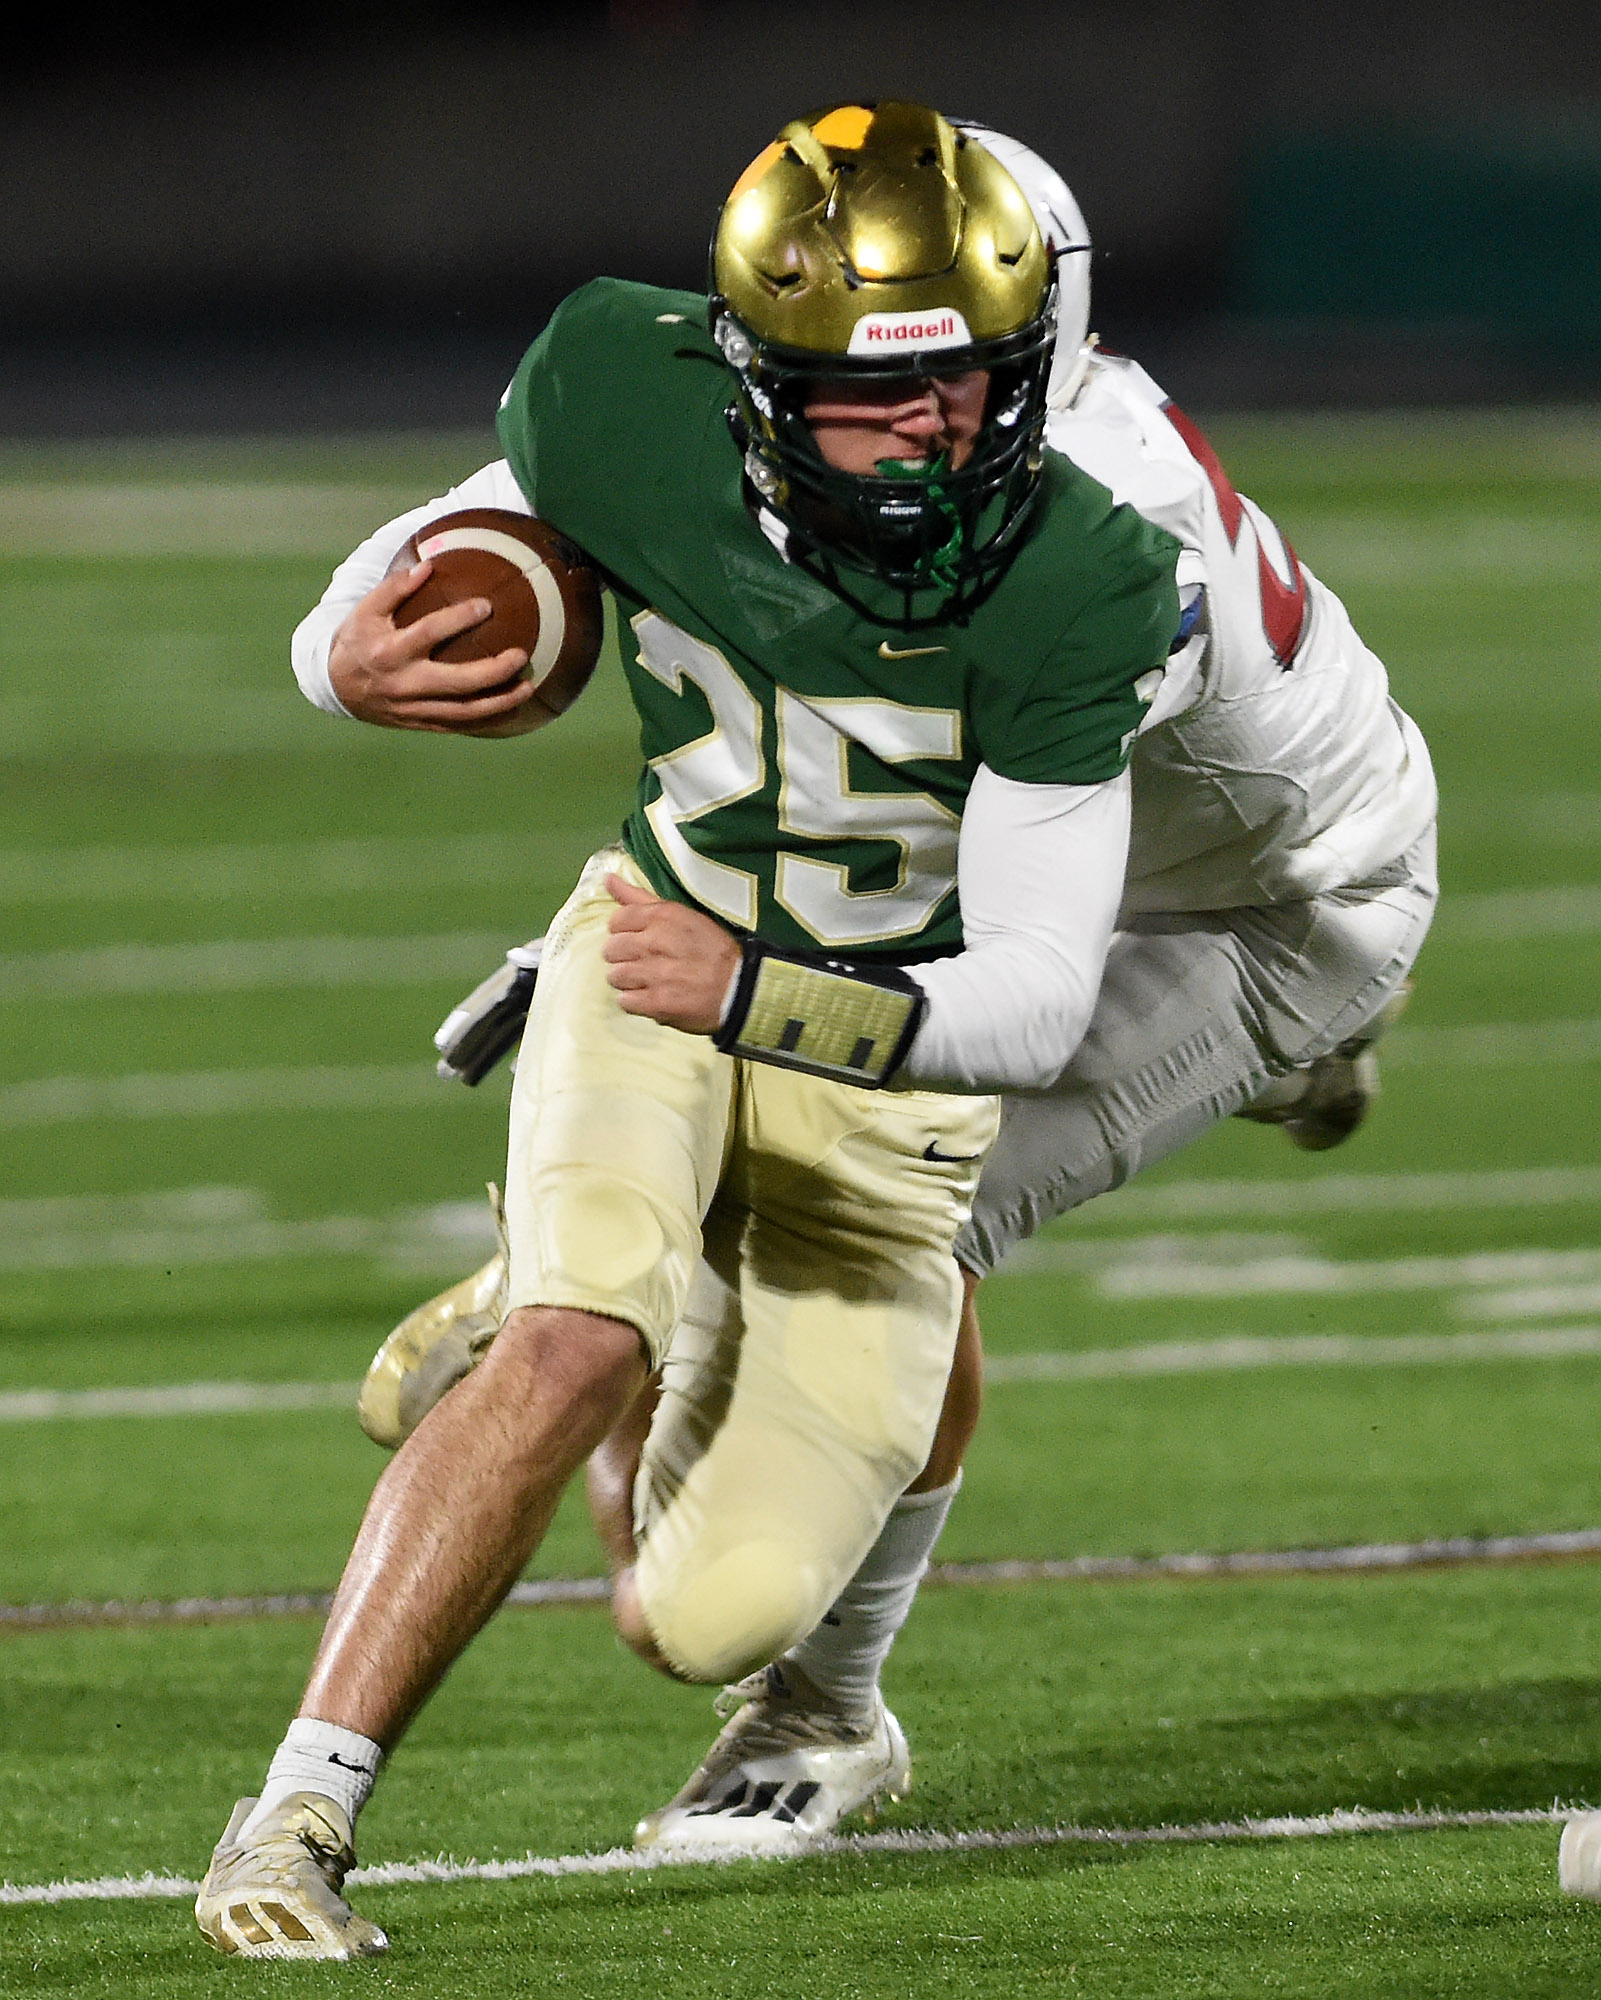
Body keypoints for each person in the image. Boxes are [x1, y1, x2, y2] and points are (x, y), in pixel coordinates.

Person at [354, 117, 1440, 1863]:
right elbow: (525, 512)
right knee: (773, 1151)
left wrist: (618, 990)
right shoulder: (901, 423)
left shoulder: (1087, 528)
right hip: (1107, 859)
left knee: (877, 1206)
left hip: (1261, 910)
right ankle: (1309, 1075)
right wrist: (348, 629)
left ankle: (822, 1711)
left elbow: (908, 891)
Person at [195, 103, 1193, 1960]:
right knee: (579, 1338)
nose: (926, 442)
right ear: (746, 378)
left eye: (970, 391)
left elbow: (1044, 1001)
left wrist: (757, 1002)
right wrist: (337, 648)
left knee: (699, 1623)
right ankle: (295, 1818)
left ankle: (604, 1293)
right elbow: (449, 543)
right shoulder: (617, 388)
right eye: (871, 401)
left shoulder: (1094, 577)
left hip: (884, 1069)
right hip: (656, 947)